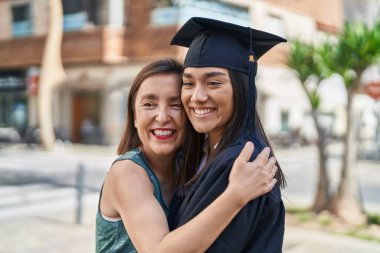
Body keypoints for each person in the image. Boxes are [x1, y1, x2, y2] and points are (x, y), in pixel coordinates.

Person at [96, 59, 278, 253]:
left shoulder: (189, 166)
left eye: (175, 105)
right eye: (149, 104)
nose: (163, 117)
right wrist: (235, 196)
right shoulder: (127, 172)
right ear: (134, 116)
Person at [169, 17, 287, 252]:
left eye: (213, 83)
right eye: (188, 83)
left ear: (242, 88)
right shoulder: (208, 154)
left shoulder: (241, 163)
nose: (197, 96)